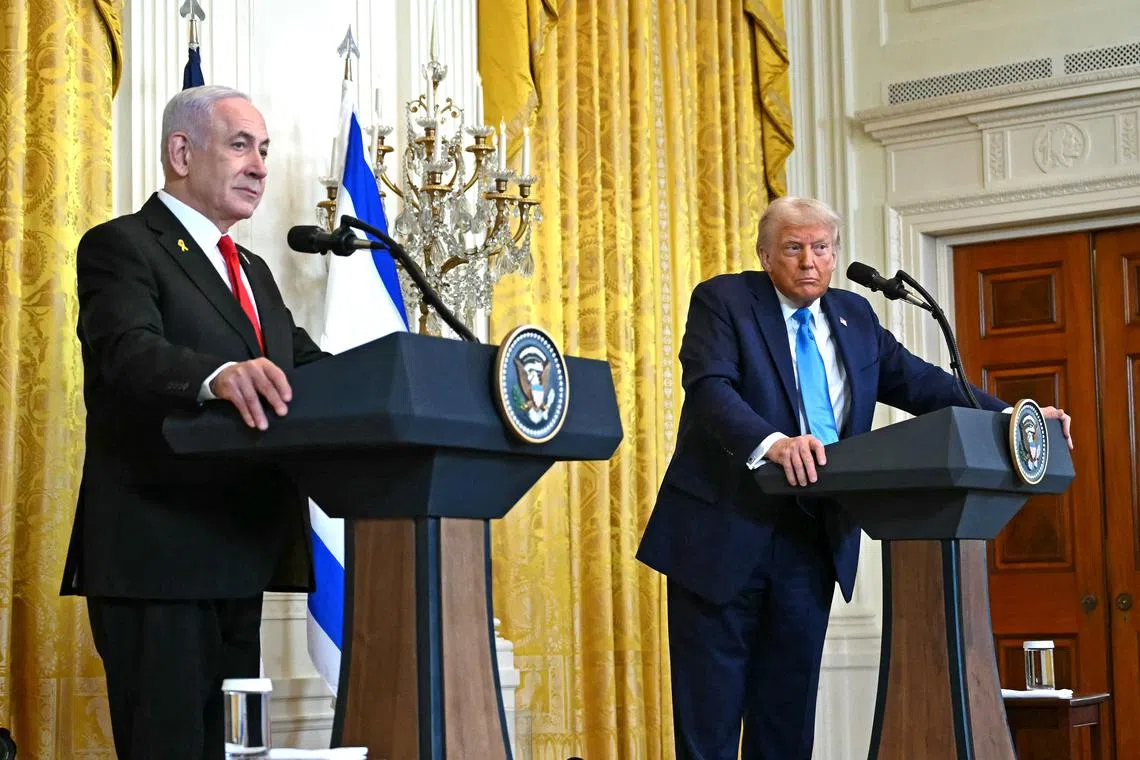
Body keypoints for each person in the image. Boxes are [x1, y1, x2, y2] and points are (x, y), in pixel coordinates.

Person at [636, 196, 1073, 760]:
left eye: (821, 248)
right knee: (710, 724)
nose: (809, 261)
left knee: (787, 725)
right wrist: (774, 444)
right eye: (794, 248)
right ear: (766, 255)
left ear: (835, 254)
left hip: (810, 540)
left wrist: (1014, 417)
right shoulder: (724, 301)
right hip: (722, 534)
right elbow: (711, 389)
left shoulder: (855, 316)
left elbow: (924, 385)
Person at [60, 85, 327, 760]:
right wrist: (216, 376)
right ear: (181, 152)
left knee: (237, 753)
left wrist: (401, 372)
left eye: (264, 150)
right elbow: (128, 350)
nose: (261, 166)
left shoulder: (256, 272)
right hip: (159, 558)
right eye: (241, 145)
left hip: (241, 553)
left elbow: (305, 367)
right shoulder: (122, 246)